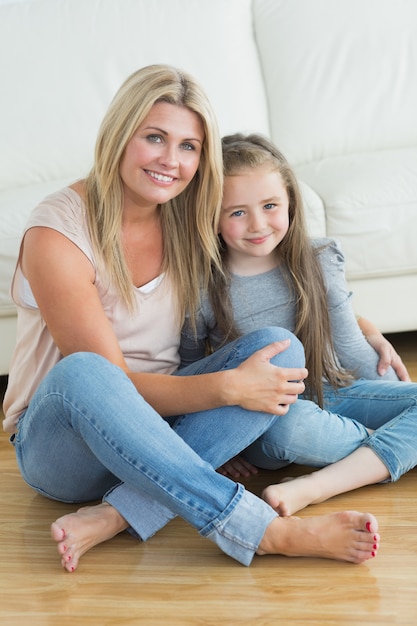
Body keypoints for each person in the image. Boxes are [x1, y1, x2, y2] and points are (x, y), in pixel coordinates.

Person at [2, 65, 380, 572]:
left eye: (188, 146)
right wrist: (226, 391)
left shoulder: (186, 214)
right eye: (154, 138)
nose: (170, 161)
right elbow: (111, 382)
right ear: (119, 135)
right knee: (85, 373)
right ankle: (260, 530)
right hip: (66, 445)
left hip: (168, 425)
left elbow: (270, 273)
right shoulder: (58, 234)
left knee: (277, 349)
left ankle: (118, 513)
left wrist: (362, 326)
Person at [179, 132, 417, 517]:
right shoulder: (201, 289)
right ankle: (389, 450)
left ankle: (319, 485)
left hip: (337, 390)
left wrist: (383, 373)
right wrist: (220, 447)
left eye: (270, 205)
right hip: (271, 416)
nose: (258, 224)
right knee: (289, 428)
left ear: (290, 202)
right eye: (237, 212)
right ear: (211, 216)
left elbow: (351, 351)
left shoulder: (319, 257)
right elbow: (188, 377)